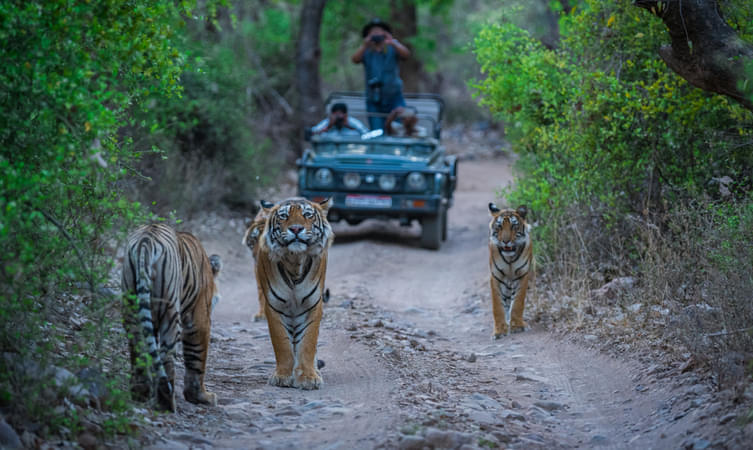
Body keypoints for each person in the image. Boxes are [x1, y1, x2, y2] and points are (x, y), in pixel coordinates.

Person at [351, 18, 411, 131]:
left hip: (394, 97)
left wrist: (392, 41)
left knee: (398, 129)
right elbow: (354, 59)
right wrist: (365, 45)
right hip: (373, 99)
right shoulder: (366, 51)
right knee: (377, 131)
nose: (376, 34)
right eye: (373, 32)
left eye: (379, 31)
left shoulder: (392, 48)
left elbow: (406, 55)